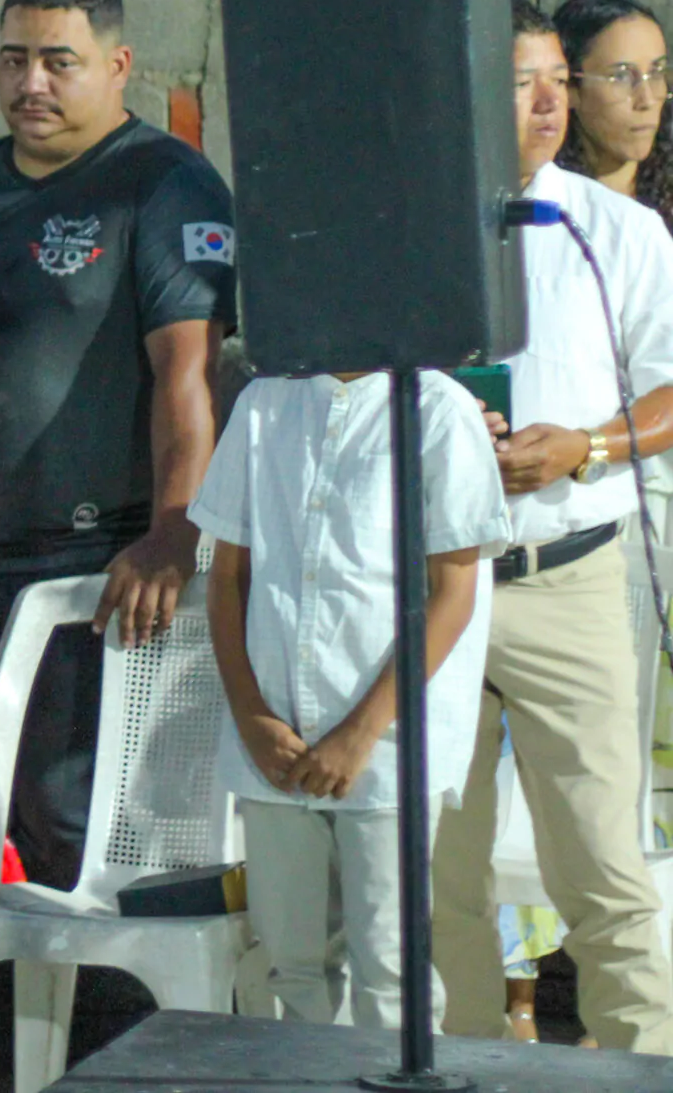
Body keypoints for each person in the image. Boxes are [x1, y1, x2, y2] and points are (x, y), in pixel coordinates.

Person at [0, 0, 232, 890]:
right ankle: (7, 1035)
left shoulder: (164, 185)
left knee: (85, 823)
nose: (30, 83)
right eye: (13, 60)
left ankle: (133, 1037)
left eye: (58, 61)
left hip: (103, 570)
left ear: (118, 65)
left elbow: (188, 374)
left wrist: (175, 529)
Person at [430, 0, 673, 1054]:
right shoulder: (409, 226)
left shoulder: (618, 228)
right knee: (439, 876)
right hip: (432, 582)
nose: (542, 104)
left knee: (605, 875)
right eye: (516, 82)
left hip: (569, 575)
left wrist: (585, 445)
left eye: (554, 83)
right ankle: (466, 1071)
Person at [199, 367, 504, 1031]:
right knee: (289, 967)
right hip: (274, 742)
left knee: (391, 969)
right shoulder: (262, 402)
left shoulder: (439, 407)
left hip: (389, 748)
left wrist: (361, 732)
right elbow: (227, 578)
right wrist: (252, 716)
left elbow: (453, 592)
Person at [555, 0, 673, 224]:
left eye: (657, 72)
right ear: (570, 87)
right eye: (621, 77)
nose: (647, 100)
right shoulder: (543, 205)